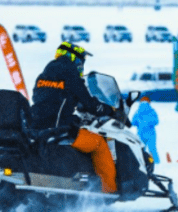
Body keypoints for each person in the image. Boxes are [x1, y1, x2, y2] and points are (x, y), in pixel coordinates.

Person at [30, 42, 117, 194]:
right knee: (99, 144)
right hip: (60, 129)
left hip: (37, 129)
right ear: (73, 58)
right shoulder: (70, 74)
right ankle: (108, 191)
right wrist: (109, 109)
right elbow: (89, 102)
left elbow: (48, 99)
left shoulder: (42, 76)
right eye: (81, 62)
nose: (81, 66)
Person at [131, 95, 160, 163]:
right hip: (151, 133)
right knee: (152, 149)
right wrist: (149, 123)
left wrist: (140, 123)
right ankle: (156, 162)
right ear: (149, 102)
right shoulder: (152, 111)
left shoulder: (137, 112)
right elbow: (156, 121)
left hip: (140, 133)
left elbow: (133, 122)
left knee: (140, 149)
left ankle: (141, 162)